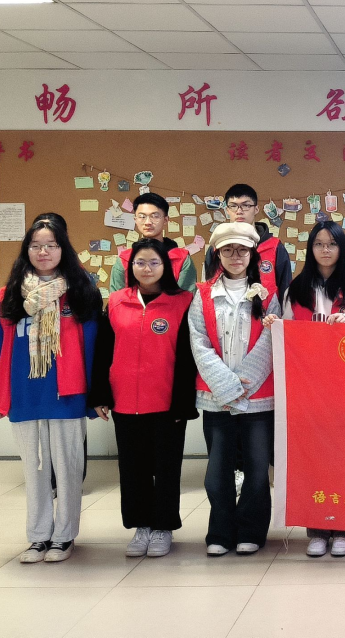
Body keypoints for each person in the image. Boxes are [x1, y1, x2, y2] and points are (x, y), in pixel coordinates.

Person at [0, 213, 102, 564]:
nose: (43, 252)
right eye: (36, 246)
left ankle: (64, 537)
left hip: (67, 393)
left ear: (63, 248)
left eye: (51, 245)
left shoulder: (81, 291)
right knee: (34, 470)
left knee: (67, 469)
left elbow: (94, 347)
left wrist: (96, 396)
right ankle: (38, 536)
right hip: (25, 393)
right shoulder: (9, 296)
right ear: (26, 250)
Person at [266, 221, 345, 558]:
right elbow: (285, 334)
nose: (325, 250)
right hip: (308, 391)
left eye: (332, 244)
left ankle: (344, 528)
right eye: (319, 244)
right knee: (312, 459)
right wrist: (275, 326)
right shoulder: (295, 290)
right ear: (310, 248)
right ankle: (316, 528)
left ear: (342, 248)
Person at [88, 238, 197, 558]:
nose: (146, 268)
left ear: (165, 267)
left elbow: (188, 357)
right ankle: (141, 526)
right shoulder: (117, 301)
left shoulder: (183, 302)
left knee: (166, 467)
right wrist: (101, 394)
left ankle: (163, 527)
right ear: (131, 266)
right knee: (133, 468)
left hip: (166, 402)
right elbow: (103, 351)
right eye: (140, 262)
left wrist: (183, 402)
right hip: (125, 401)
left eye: (153, 262)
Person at [188, 223, 282, 557]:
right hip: (217, 397)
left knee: (257, 470)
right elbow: (199, 342)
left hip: (258, 396)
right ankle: (220, 532)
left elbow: (271, 339)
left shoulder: (268, 294)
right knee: (218, 471)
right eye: (228, 250)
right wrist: (227, 385)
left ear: (252, 254)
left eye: (242, 250)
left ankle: (251, 531)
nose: (235, 256)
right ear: (218, 255)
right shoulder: (202, 294)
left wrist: (245, 381)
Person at [108, 192, 197, 292]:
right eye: (142, 216)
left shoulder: (181, 259)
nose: (148, 222)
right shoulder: (125, 260)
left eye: (155, 216)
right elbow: (116, 298)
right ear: (135, 220)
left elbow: (187, 298)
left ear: (165, 220)